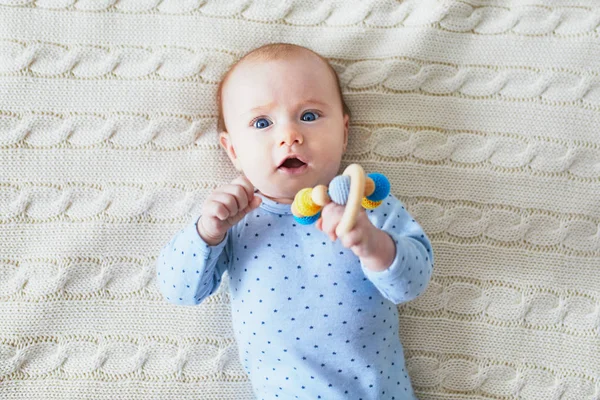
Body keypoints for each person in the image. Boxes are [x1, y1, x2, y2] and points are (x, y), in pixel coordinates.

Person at [156, 42, 434, 399]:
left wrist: (373, 244)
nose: (290, 136)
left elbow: (413, 282)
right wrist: (205, 233)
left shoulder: (364, 200)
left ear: (344, 133)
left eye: (309, 116)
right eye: (261, 123)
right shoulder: (235, 218)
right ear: (233, 151)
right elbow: (179, 291)